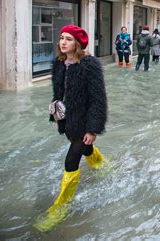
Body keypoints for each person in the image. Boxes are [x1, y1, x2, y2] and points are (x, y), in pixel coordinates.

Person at [34, 25, 107, 232]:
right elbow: (58, 92)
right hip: (67, 120)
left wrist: (92, 130)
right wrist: (55, 113)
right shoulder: (58, 63)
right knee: (84, 148)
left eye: (68, 39)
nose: (62, 42)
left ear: (78, 43)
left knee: (71, 161)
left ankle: (61, 207)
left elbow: (98, 99)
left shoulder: (89, 65)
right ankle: (101, 165)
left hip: (84, 121)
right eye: (61, 38)